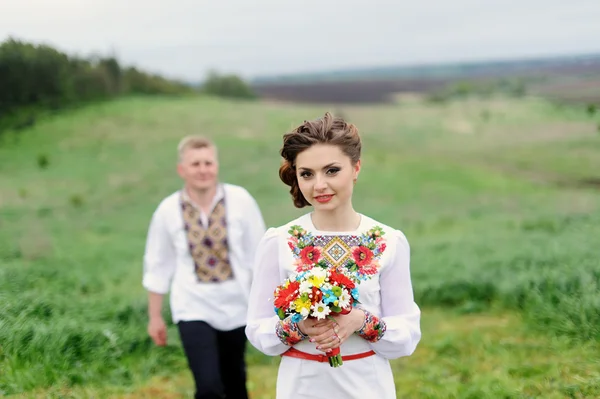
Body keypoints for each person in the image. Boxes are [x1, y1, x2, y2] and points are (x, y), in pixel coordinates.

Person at [245, 112, 421, 398]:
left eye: (331, 171)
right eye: (307, 174)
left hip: (367, 385)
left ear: (356, 168)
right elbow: (258, 329)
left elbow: (405, 337)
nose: (319, 186)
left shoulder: (389, 241)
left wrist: (359, 320)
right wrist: (299, 326)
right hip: (301, 386)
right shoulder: (279, 241)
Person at [142, 135, 266, 399]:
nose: (202, 169)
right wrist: (155, 317)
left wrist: (266, 306)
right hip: (193, 306)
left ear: (217, 166)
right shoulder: (167, 211)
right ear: (182, 169)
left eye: (208, 162)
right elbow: (157, 265)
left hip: (237, 306)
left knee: (235, 384)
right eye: (195, 163)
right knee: (208, 387)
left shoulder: (240, 200)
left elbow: (260, 256)